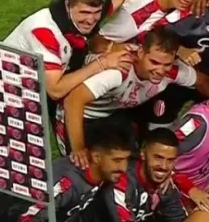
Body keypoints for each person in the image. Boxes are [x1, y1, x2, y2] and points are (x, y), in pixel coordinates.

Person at [3, 0, 144, 146]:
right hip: (9, 87)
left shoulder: (90, 9)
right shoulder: (45, 32)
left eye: (96, 13)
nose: (91, 20)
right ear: (68, 6)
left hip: (43, 78)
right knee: (19, 146)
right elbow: (55, 90)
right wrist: (102, 63)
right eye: (84, 13)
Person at [60, 26, 199, 157]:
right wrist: (78, 149)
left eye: (167, 64)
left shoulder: (172, 70)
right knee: (87, 166)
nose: (160, 70)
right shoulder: (119, 69)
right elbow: (73, 100)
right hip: (80, 112)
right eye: (154, 62)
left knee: (128, 161)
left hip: (111, 113)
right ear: (140, 53)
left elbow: (203, 82)